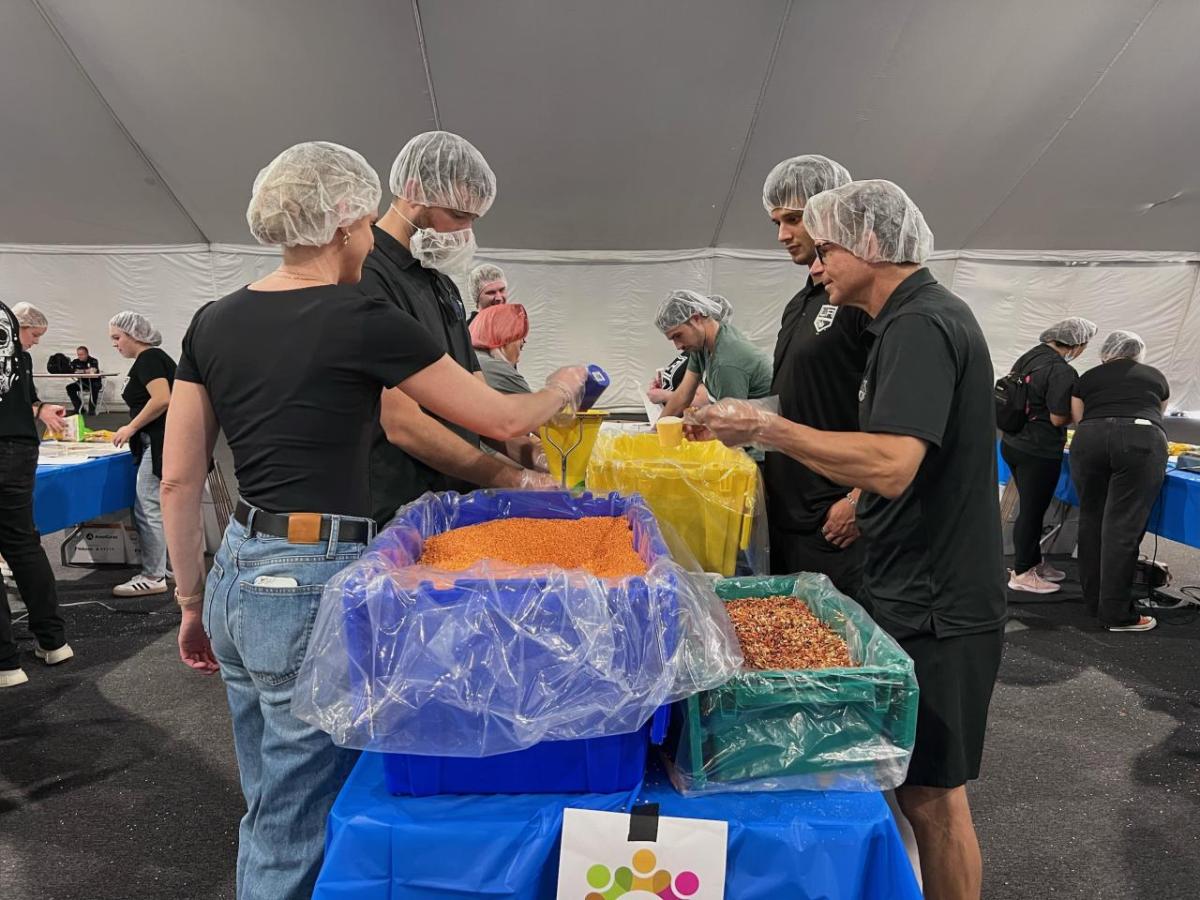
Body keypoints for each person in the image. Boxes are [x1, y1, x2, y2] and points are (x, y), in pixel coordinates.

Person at [160, 141, 586, 900]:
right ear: (347, 222)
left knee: (267, 797)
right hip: (313, 579)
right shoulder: (360, 317)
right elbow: (501, 412)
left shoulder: (211, 320)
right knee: (297, 819)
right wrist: (561, 384)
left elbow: (180, 478)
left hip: (237, 570)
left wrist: (190, 600)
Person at [693, 180, 1005, 900]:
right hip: (915, 580)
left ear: (870, 244)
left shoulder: (921, 325)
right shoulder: (904, 322)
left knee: (935, 795)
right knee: (915, 791)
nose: (816, 264)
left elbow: (893, 465)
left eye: (826, 246)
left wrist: (766, 429)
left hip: (940, 598)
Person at [360, 131, 552, 526]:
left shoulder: (441, 284)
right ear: (414, 191)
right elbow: (401, 424)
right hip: (396, 510)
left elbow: (477, 400)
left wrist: (528, 452)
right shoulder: (367, 273)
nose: (465, 233)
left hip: (454, 499)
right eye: (459, 216)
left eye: (473, 220)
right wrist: (511, 477)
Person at [760, 154, 867, 596]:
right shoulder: (801, 301)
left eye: (794, 219)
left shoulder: (861, 298)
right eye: (776, 223)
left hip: (834, 517)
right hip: (790, 510)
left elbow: (899, 414)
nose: (783, 235)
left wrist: (860, 500)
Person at [1069, 330, 1169, 633]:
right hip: (1140, 439)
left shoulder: (1088, 377)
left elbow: (1078, 418)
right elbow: (1158, 414)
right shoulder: (1154, 377)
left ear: (1107, 351)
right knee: (1122, 527)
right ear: (1138, 352)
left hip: (1090, 438)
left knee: (1091, 520)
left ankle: (1094, 601)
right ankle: (1116, 613)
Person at [0, 301, 71, 688]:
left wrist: (39, 406)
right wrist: (40, 407)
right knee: (24, 545)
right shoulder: (12, 341)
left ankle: (6, 662)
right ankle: (53, 640)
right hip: (19, 448)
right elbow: (21, 396)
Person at [1000, 317, 1097, 594]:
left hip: (1013, 441)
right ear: (1077, 344)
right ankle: (1021, 573)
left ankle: (1033, 562)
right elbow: (1057, 418)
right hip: (1038, 449)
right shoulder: (1062, 371)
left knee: (1032, 507)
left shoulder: (1031, 356)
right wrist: (1080, 417)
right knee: (1032, 510)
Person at [109, 311, 175, 597]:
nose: (115, 344)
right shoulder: (151, 359)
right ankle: (167, 566)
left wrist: (131, 427)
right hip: (161, 440)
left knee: (147, 507)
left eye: (117, 337)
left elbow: (162, 398)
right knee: (159, 508)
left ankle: (152, 575)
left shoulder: (149, 359)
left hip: (160, 441)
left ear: (134, 335)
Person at [654, 290, 771, 418]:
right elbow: (683, 394)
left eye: (678, 335)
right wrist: (656, 429)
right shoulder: (701, 346)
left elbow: (732, 421)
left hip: (766, 429)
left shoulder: (727, 361)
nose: (678, 346)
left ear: (696, 319)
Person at [470, 303, 532, 394]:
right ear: (504, 337)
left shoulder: (471, 356)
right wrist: (557, 385)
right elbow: (536, 405)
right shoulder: (494, 367)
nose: (518, 360)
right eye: (521, 346)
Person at [66, 345, 102, 415]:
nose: (80, 356)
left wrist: (80, 371)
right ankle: (79, 408)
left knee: (94, 387)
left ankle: (92, 410)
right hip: (82, 382)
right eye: (78, 354)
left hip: (94, 382)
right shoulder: (75, 361)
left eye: (82, 354)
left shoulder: (93, 360)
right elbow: (71, 370)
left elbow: (93, 370)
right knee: (69, 388)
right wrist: (85, 371)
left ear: (87, 354)